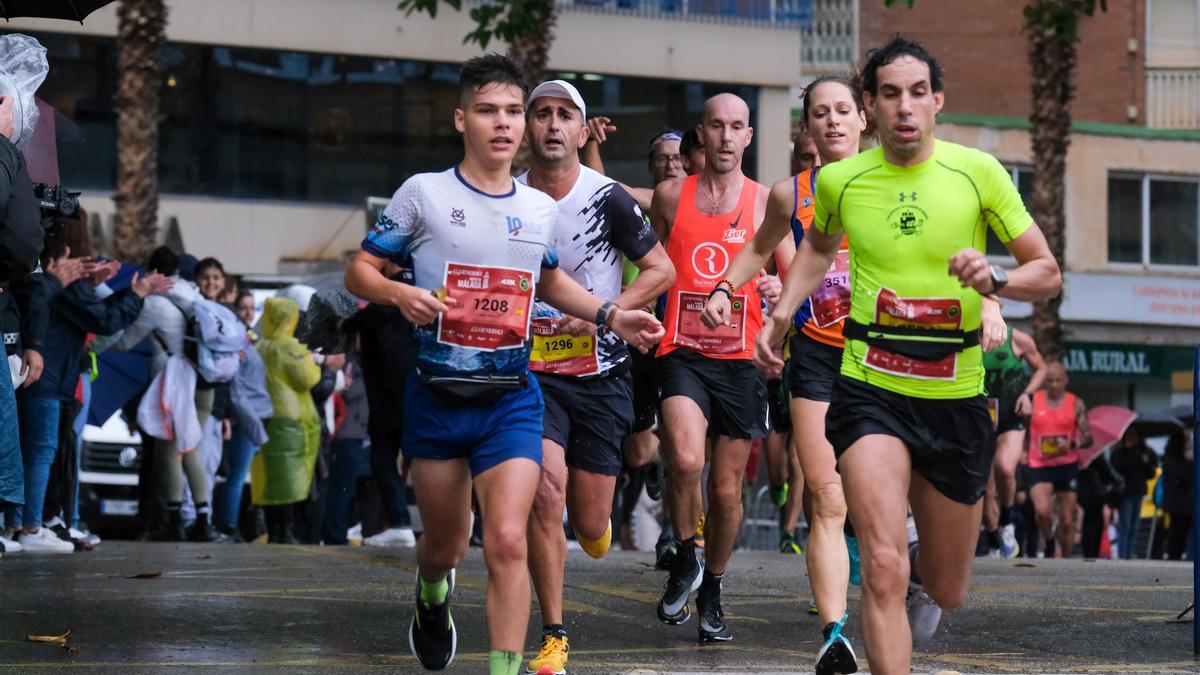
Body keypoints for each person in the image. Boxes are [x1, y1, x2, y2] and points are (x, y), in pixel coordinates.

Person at [742, 37, 1060, 672]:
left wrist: (994, 282)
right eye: (890, 94)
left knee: (946, 585)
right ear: (871, 106)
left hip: (954, 394)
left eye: (918, 92)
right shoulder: (840, 180)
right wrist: (779, 316)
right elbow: (814, 248)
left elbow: (1047, 272)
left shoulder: (978, 174)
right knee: (884, 563)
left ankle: (930, 593)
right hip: (869, 386)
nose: (905, 107)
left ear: (937, 101)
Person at [343, 54, 663, 675]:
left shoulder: (538, 209)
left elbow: (548, 284)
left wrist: (610, 314)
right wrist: (398, 293)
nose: (505, 124)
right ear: (461, 119)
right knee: (446, 546)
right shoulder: (424, 194)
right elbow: (360, 269)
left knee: (510, 540)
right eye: (489, 111)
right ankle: (432, 597)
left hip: (512, 395)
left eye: (513, 112)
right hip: (438, 395)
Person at [702, 74, 868, 672]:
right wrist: (727, 286)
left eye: (843, 110)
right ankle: (834, 632)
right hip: (820, 355)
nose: (832, 121)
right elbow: (756, 246)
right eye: (819, 112)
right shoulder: (790, 193)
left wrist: (994, 305)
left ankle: (909, 567)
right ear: (808, 126)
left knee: (883, 501)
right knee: (826, 496)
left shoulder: (899, 185)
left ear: (863, 118)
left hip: (890, 357)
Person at [518, 79, 674, 675]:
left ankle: (597, 521)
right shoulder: (510, 198)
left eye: (565, 116)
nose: (552, 125)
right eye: (542, 114)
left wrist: (613, 316)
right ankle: (554, 635)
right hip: (532, 374)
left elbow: (661, 267)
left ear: (584, 133)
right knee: (544, 491)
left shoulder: (606, 197)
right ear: (529, 127)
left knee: (588, 523)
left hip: (602, 373)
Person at [649, 92, 789, 644]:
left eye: (737, 127)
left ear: (749, 137)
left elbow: (790, 275)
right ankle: (688, 552)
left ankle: (714, 584)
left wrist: (778, 293)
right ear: (701, 135)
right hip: (681, 351)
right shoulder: (667, 196)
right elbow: (651, 263)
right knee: (684, 459)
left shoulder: (764, 202)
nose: (727, 137)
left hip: (741, 360)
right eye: (717, 126)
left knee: (728, 492)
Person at [16, 217, 169, 552]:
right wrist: (137, 292)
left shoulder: (53, 272)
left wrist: (116, 291)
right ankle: (30, 526)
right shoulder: (63, 276)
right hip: (48, 377)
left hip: (48, 375)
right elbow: (103, 321)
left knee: (36, 451)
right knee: (41, 451)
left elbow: (95, 316)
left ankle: (28, 524)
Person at [251, 296, 322, 544]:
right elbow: (307, 379)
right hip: (292, 421)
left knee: (270, 479)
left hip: (264, 417)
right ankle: (287, 531)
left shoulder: (259, 346)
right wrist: (313, 364)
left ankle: (274, 530)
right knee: (290, 479)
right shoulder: (291, 347)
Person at [981, 327, 1046, 558]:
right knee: (986, 490)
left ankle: (1007, 523)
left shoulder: (1017, 339)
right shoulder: (965, 335)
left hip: (1012, 414)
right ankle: (994, 540)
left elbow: (1041, 368)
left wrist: (1028, 394)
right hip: (981, 416)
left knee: (1005, 468)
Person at [1027, 361, 1093, 558]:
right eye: (1049, 380)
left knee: (1066, 520)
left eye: (1058, 380)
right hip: (1039, 463)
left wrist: (1073, 445)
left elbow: (1089, 438)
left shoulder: (1076, 403)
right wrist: (1020, 449)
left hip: (1066, 464)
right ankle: (1048, 540)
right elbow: (1021, 430)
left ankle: (1065, 561)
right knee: (1042, 511)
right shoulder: (1033, 400)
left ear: (1065, 381)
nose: (1054, 385)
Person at [1109, 428, 1157, 559]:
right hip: (1125, 493)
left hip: (1139, 492)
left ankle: (1129, 555)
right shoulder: (1120, 452)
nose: (1133, 439)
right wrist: (1129, 451)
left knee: (1135, 526)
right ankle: (1123, 555)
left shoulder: (1144, 452)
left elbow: (1150, 474)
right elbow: (1120, 468)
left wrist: (1146, 462)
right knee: (1125, 525)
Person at [1161, 431, 1193, 561]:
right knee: (1177, 534)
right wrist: (1188, 462)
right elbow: (1180, 478)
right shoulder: (1172, 459)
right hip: (1177, 505)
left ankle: (1176, 555)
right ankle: (1174, 556)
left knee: (1180, 533)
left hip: (1181, 504)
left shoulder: (1174, 457)